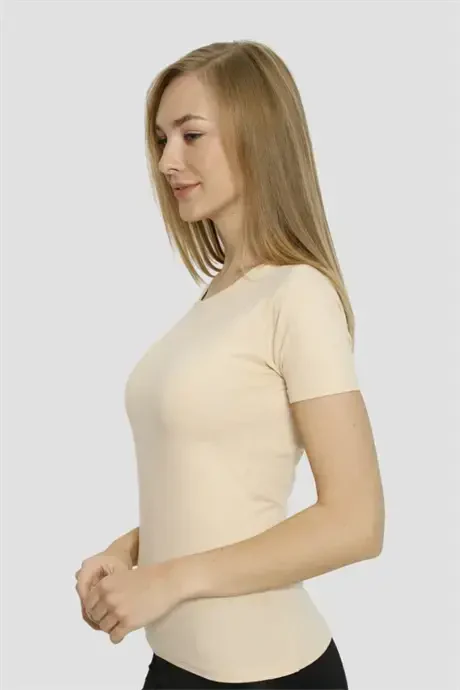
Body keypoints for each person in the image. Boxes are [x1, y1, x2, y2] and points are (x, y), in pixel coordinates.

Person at [75, 39, 385, 689]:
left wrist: (168, 579)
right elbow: (219, 495)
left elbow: (357, 521)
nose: (168, 160)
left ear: (258, 136)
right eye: (162, 139)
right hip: (176, 666)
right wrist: (130, 551)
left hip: (267, 673)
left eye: (191, 135)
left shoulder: (298, 295)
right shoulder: (221, 297)